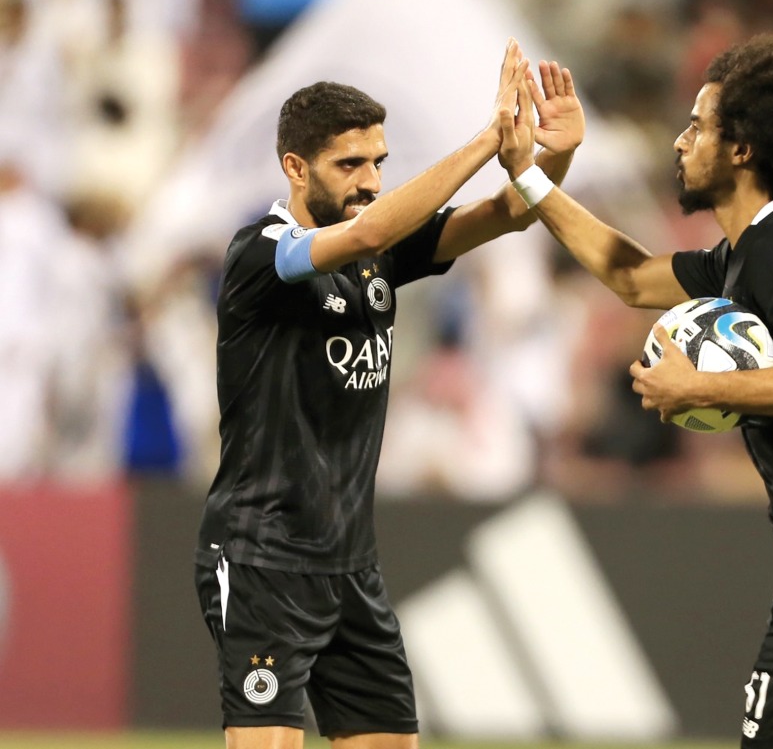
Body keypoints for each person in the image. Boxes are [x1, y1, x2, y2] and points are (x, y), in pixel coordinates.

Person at [499, 33, 773, 748]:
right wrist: (534, 177)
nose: (680, 141)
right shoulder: (749, 252)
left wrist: (702, 383)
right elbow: (632, 276)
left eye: (698, 125)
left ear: (743, 149)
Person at [193, 39, 584, 748]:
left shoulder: (377, 254)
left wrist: (553, 154)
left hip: (350, 565)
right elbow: (371, 226)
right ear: (294, 166)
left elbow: (510, 213)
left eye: (379, 162)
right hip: (262, 558)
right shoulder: (259, 252)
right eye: (350, 165)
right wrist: (487, 138)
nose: (370, 181)